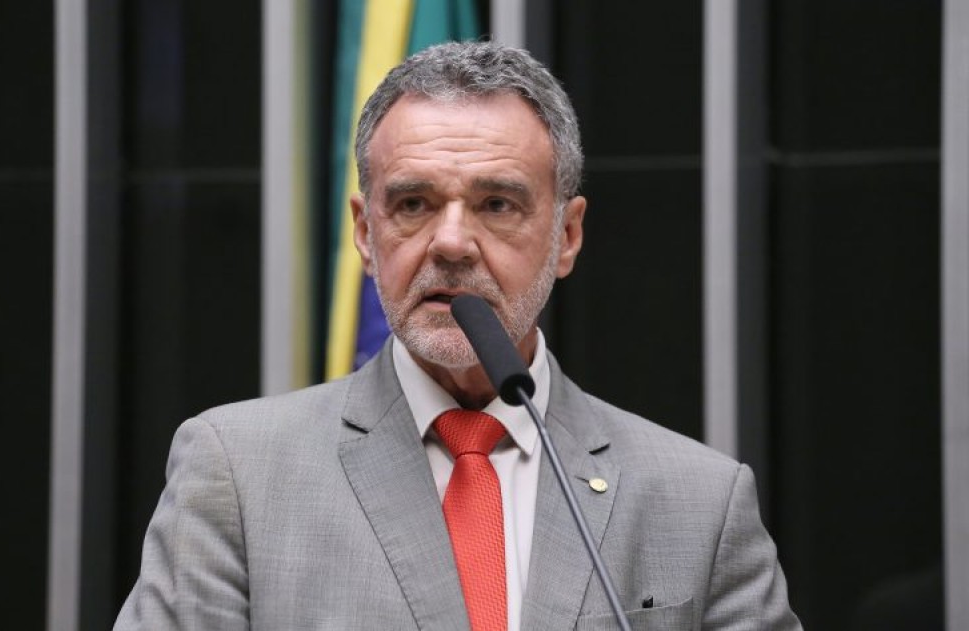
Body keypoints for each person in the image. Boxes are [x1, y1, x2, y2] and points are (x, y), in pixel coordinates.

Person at [115, 41, 801, 630]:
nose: (450, 243)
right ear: (365, 233)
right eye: (413, 204)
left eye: (496, 204)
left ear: (567, 235)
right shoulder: (237, 476)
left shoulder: (699, 502)